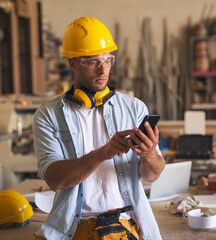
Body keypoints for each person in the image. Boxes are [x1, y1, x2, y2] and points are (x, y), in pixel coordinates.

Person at [33, 16, 165, 240]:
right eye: (93, 62)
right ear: (73, 63)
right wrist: (105, 152)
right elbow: (55, 181)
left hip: (125, 226)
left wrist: (150, 153)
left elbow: (153, 174)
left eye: (108, 60)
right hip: (73, 228)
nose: (103, 69)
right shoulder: (48, 114)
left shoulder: (134, 108)